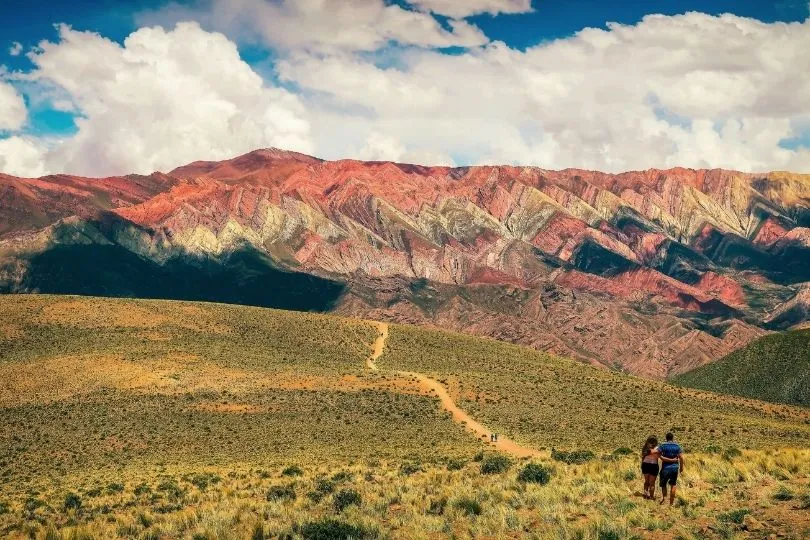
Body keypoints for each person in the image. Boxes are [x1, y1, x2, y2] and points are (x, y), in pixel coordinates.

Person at [658, 432, 684, 506]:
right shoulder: (677, 446)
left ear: (666, 438)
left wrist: (667, 460)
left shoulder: (662, 446)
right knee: (673, 484)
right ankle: (671, 503)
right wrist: (681, 467)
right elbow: (681, 457)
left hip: (665, 468)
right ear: (672, 438)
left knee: (663, 484)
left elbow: (659, 456)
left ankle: (665, 499)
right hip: (675, 468)